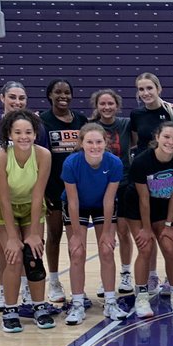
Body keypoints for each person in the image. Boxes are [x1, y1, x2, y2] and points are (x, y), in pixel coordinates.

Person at [0, 110, 56, 332]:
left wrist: (34, 233)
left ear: (35, 133)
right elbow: (4, 199)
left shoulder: (43, 155)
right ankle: (10, 309)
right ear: (10, 134)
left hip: (31, 206)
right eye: (18, 132)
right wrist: (11, 237)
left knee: (34, 256)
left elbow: (38, 195)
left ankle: (39, 306)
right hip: (3, 207)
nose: (23, 136)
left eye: (28, 132)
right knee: (14, 257)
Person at [124, 120, 173, 319]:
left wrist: (170, 224)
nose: (170, 142)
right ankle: (142, 296)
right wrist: (146, 229)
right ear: (157, 137)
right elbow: (143, 199)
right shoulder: (142, 161)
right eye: (166, 137)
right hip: (136, 207)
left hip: (163, 207)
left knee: (170, 247)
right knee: (145, 248)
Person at [61, 122, 125, 324]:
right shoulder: (71, 163)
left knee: (106, 250)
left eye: (99, 142)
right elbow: (72, 201)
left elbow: (109, 200)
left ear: (105, 142)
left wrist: (107, 232)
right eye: (90, 142)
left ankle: (110, 302)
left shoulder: (114, 163)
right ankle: (77, 304)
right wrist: (76, 235)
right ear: (81, 143)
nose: (95, 146)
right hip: (77, 205)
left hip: (101, 204)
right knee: (77, 252)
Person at [38, 78, 87, 304]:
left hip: (78, 188)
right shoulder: (42, 121)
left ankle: (79, 285)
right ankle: (55, 280)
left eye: (67, 92)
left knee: (76, 237)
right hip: (53, 187)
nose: (63, 96)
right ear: (50, 95)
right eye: (58, 92)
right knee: (54, 234)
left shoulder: (81, 120)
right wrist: (43, 190)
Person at [89, 88, 135, 297]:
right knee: (104, 235)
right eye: (102, 104)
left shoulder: (126, 124)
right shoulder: (91, 127)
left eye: (110, 103)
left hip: (123, 183)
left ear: (117, 105)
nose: (106, 107)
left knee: (123, 232)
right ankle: (105, 276)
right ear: (96, 106)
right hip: (100, 185)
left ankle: (125, 273)